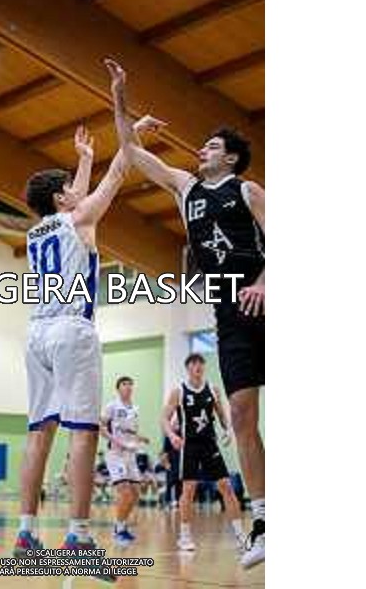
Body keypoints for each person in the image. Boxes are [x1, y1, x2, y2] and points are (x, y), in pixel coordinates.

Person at [105, 59, 265, 569]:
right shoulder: (185, 187)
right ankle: (264, 523)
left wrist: (265, 281)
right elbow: (130, 151)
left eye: (212, 147)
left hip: (266, 296)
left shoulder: (247, 190)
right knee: (243, 416)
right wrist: (121, 96)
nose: (202, 150)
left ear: (232, 157)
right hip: (229, 312)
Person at [14, 123, 139, 565]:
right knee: (83, 433)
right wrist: (130, 135)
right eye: (68, 187)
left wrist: (85, 159)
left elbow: (76, 203)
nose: (75, 190)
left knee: (38, 433)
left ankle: (26, 534)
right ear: (59, 198)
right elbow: (118, 173)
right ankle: (78, 538)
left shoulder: (36, 233)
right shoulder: (80, 218)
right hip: (71, 330)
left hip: (36, 334)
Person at [162, 354, 244, 553]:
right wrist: (172, 435)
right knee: (189, 489)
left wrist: (227, 430)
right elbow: (164, 418)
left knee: (226, 486)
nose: (198, 367)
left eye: (200, 363)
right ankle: (185, 537)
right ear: (187, 368)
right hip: (189, 445)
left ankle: (241, 535)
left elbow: (222, 414)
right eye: (193, 364)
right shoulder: (178, 391)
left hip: (210, 445)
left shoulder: (213, 390)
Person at [100, 376, 150, 546]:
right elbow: (101, 427)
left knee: (136, 494)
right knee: (125, 493)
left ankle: (122, 525)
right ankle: (119, 530)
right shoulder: (112, 406)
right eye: (124, 384)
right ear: (118, 388)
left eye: (130, 384)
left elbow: (130, 431)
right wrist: (114, 440)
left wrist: (140, 438)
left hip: (130, 454)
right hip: (116, 454)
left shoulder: (134, 409)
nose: (128, 387)